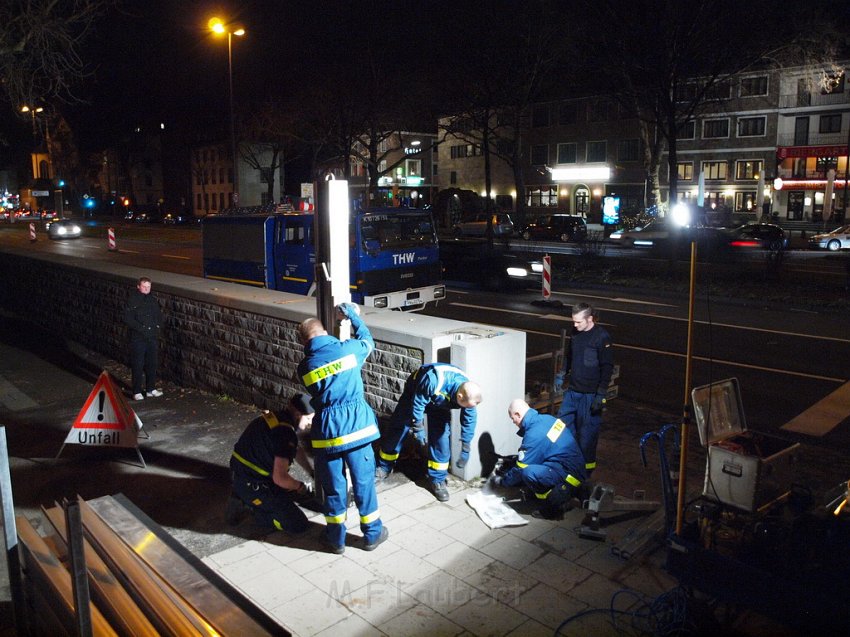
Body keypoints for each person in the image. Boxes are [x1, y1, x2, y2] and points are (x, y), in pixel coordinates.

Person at [297, 304, 388, 554]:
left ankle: (336, 540)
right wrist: (353, 317)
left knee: (334, 488)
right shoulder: (349, 350)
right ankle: (371, 534)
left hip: (327, 434)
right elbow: (368, 341)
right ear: (325, 331)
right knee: (363, 483)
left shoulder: (304, 368)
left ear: (304, 341)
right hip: (357, 427)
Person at [375, 363, 482, 502]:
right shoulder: (433, 381)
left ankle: (438, 479)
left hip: (440, 402)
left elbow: (469, 419)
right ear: (460, 396)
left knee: (441, 438)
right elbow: (418, 405)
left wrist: (466, 445)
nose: (468, 409)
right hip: (417, 391)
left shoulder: (469, 395)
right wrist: (418, 429)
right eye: (466, 405)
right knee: (399, 427)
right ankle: (384, 467)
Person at [226, 394, 317, 533]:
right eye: (309, 418)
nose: (310, 423)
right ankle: (253, 509)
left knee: (287, 492)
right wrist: (300, 486)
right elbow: (280, 478)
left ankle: (241, 494)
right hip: (254, 484)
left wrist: (311, 472)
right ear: (299, 414)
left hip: (241, 474)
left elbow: (294, 449)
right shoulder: (285, 433)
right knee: (298, 525)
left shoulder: (276, 419)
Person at [492, 399, 586, 519]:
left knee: (528, 472)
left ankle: (553, 506)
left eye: (512, 418)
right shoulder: (547, 419)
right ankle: (569, 491)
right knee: (527, 464)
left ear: (518, 415)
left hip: (569, 476)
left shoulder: (533, 434)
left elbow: (522, 467)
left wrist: (502, 481)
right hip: (574, 468)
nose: (513, 422)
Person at [553, 302, 613, 477]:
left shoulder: (602, 337)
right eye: (573, 321)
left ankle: (584, 474)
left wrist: (601, 394)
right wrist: (562, 373)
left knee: (587, 437)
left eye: (578, 322)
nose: (575, 325)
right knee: (561, 428)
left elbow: (607, 367)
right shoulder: (575, 333)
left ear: (590, 319)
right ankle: (564, 464)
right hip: (572, 393)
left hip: (590, 396)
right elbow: (569, 355)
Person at [124, 276, 163, 401]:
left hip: (152, 337)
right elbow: (128, 319)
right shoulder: (132, 300)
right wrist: (141, 329)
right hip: (138, 337)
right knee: (138, 364)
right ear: (138, 287)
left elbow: (158, 315)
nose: (146, 289)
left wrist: (157, 327)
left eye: (148, 287)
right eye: (144, 286)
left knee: (152, 363)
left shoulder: (152, 300)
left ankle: (151, 388)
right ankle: (137, 391)